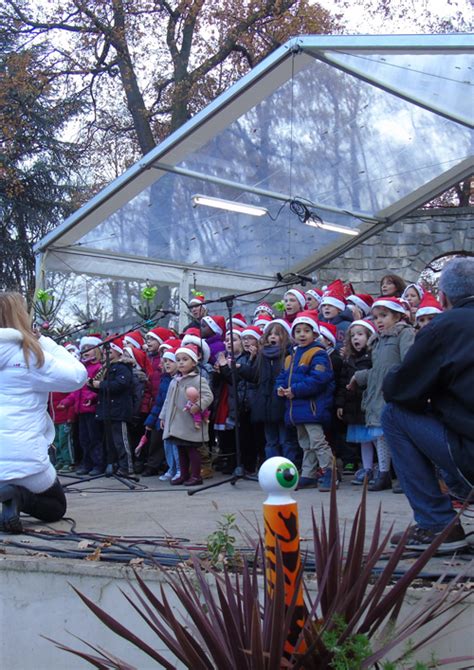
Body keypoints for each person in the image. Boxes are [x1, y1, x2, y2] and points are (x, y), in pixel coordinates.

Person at [382, 257, 474, 553]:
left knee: (394, 414)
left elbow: (402, 390)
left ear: (443, 297)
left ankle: (437, 524)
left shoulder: (444, 327)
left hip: (469, 453)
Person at [0, 292, 87, 533]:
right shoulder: (30, 356)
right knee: (55, 507)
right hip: (24, 457)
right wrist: (46, 342)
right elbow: (78, 376)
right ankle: (16, 496)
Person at [348, 297, 415, 491]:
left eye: (384, 316)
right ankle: (383, 473)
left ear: (397, 315)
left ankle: (406, 476)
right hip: (379, 394)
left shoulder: (404, 334)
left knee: (399, 438)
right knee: (381, 437)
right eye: (376, 317)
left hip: (396, 393)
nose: (378, 321)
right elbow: (378, 370)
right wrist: (359, 376)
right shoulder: (377, 341)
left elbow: (408, 363)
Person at [276, 311, 335, 491]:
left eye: (306, 331)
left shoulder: (318, 354)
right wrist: (279, 388)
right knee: (305, 443)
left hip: (312, 407)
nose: (302, 334)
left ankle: (329, 472)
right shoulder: (290, 357)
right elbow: (282, 376)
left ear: (315, 334)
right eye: (298, 331)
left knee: (318, 441)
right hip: (296, 409)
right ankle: (309, 474)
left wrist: (295, 390)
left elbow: (319, 379)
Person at [160, 344, 213, 486]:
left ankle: (196, 476)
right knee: (180, 448)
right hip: (177, 422)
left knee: (192, 449)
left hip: (190, 422)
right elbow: (167, 401)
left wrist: (197, 406)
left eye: (185, 359)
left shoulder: (198, 379)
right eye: (178, 360)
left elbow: (208, 396)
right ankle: (184, 474)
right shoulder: (174, 381)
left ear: (194, 362)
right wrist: (163, 416)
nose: (181, 362)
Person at [336, 319, 376, 485]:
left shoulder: (373, 357)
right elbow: (342, 383)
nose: (356, 338)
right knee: (364, 440)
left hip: (369, 405)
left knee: (376, 439)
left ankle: (382, 469)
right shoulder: (349, 360)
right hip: (354, 406)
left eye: (360, 334)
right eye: (353, 335)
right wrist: (340, 403)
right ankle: (367, 469)